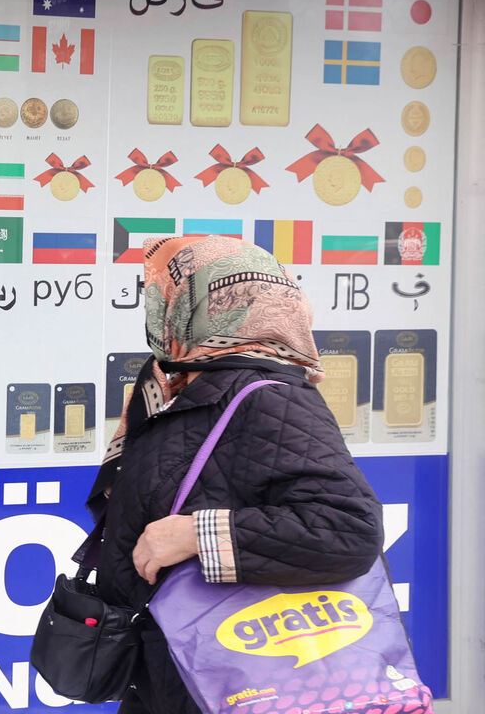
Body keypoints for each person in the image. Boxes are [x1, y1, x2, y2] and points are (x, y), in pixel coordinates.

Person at [89, 236, 384, 714]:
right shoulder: (184, 382)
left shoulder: (270, 396)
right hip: (174, 669)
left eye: (167, 292)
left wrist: (196, 535)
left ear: (198, 305)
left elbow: (349, 529)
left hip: (232, 678)